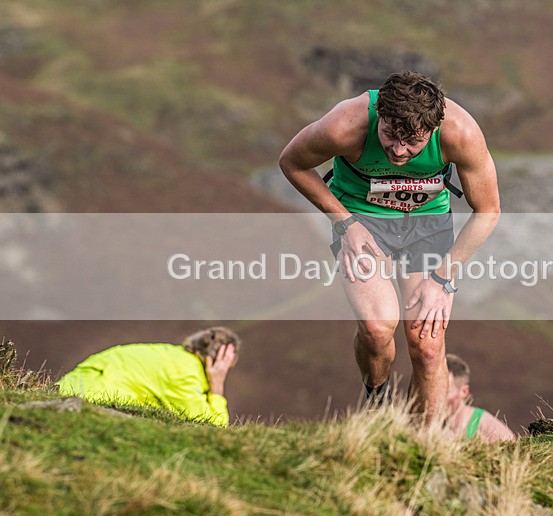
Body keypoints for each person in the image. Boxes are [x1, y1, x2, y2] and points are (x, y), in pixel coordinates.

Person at [279, 71, 500, 425]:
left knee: (427, 345)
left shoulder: (460, 132)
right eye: (389, 135)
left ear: (432, 128)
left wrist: (443, 279)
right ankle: (378, 402)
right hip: (362, 223)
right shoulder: (345, 124)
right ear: (379, 115)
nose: (399, 150)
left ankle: (424, 446)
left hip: (427, 225)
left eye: (411, 142)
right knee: (378, 327)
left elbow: (488, 211)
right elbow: (292, 162)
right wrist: (344, 223)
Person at [57, 326, 240, 427]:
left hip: (67, 386)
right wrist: (217, 387)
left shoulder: (171, 354)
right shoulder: (185, 374)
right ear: (219, 361)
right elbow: (213, 425)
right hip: (90, 400)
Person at [445, 353, 515, 442]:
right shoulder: (426, 425)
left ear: (464, 391)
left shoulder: (490, 429)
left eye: (446, 392)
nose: (437, 398)